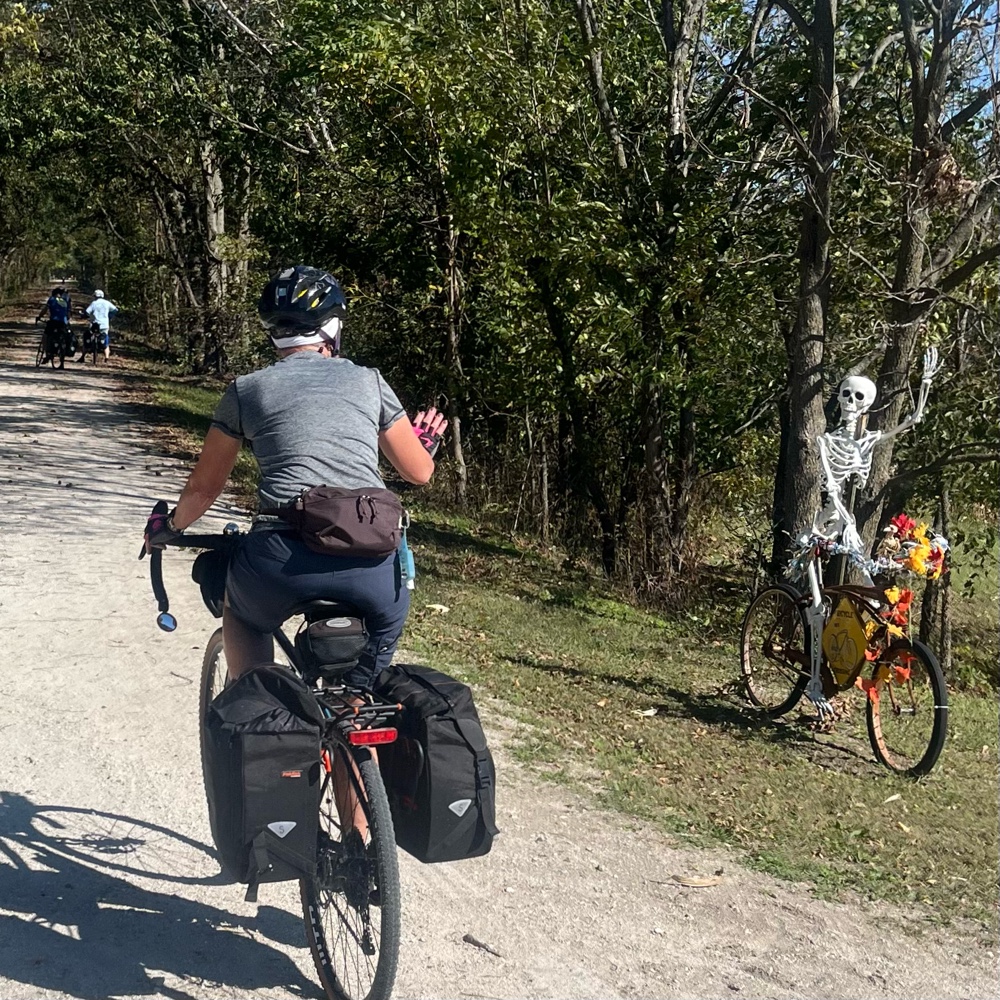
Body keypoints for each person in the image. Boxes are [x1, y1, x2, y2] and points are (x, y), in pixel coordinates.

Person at [144, 264, 447, 689]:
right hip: (372, 566)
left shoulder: (246, 390)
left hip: (280, 561)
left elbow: (205, 488)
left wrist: (170, 527)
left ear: (272, 331)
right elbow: (418, 472)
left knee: (244, 613)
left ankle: (259, 703)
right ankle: (357, 709)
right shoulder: (370, 381)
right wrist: (422, 443)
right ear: (334, 327)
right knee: (381, 636)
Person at [34, 287, 72, 368]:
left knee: (45, 336)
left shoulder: (52, 299)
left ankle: (47, 353)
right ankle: (62, 362)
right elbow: (68, 314)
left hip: (53, 322)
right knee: (64, 338)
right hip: (63, 323)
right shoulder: (65, 301)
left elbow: (45, 310)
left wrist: (39, 317)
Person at [82, 289, 118, 361]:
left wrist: (85, 316)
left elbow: (87, 312)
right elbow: (115, 310)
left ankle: (83, 356)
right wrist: (109, 316)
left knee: (88, 336)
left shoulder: (94, 303)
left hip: (94, 324)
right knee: (105, 339)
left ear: (95, 296)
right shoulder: (107, 303)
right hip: (104, 325)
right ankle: (106, 357)